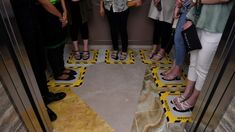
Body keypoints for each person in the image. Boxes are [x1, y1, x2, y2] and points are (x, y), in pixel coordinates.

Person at [11, 0, 67, 121]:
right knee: (34, 65)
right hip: (22, 25)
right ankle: (41, 106)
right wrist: (60, 15)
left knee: (40, 61)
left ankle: (45, 95)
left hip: (34, 20)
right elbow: (44, 1)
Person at [172, 0, 234, 111]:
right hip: (198, 21)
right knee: (193, 62)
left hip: (216, 25)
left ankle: (194, 98)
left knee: (202, 67)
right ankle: (187, 93)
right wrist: (189, 18)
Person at [37, 0, 77, 81]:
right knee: (53, 43)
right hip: (47, 11)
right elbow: (44, 2)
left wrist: (65, 12)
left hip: (59, 8)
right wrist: (59, 15)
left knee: (61, 40)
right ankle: (57, 73)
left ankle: (62, 68)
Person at [160, 0, 191, 81]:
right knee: (177, 40)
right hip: (184, 8)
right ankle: (174, 68)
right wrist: (178, 5)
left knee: (179, 40)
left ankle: (177, 70)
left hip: (190, 9)